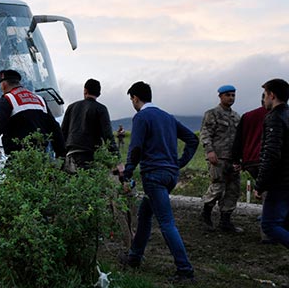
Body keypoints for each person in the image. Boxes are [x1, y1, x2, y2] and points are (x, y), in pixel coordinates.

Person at [119, 81, 198, 283]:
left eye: (132, 100)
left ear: (135, 98)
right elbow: (192, 139)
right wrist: (179, 163)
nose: (132, 103)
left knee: (166, 222)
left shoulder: (141, 117)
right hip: (171, 175)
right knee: (145, 215)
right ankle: (134, 257)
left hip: (154, 175)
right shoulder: (167, 117)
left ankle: (185, 270)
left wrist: (127, 173)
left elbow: (135, 148)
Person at [0, 69, 66, 158]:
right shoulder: (39, 100)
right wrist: (61, 154)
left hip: (20, 158)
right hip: (40, 157)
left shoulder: (8, 99)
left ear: (3, 85)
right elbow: (55, 129)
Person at [199, 85, 242, 232]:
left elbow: (240, 139)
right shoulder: (212, 114)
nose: (231, 98)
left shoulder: (236, 117)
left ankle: (225, 221)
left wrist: (240, 159)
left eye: (233, 95)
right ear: (220, 96)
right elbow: (205, 133)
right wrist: (209, 151)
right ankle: (206, 215)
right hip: (217, 158)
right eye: (228, 95)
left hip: (233, 159)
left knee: (233, 190)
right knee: (217, 187)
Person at [230, 93, 270, 241]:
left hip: (250, 161)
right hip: (268, 160)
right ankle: (268, 234)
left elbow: (238, 139)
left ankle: (270, 230)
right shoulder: (278, 115)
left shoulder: (247, 116)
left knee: (268, 194)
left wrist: (236, 160)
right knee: (271, 195)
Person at [255, 78, 289, 248]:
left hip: (280, 181)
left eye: (265, 95)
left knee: (269, 225)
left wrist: (260, 185)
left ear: (272, 95)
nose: (264, 99)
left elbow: (271, 154)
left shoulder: (274, 118)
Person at [61, 78, 119, 171]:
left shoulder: (71, 107)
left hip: (70, 155)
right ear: (99, 93)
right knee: (89, 183)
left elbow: (62, 133)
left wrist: (60, 157)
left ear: (85, 90)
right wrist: (117, 159)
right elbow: (107, 136)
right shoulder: (101, 109)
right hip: (90, 156)